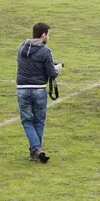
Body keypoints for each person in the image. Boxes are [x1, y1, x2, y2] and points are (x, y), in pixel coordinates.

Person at [16, 22, 61, 163]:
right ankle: (37, 148)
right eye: (48, 34)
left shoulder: (22, 47)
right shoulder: (45, 51)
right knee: (39, 120)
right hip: (38, 89)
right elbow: (52, 74)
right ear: (43, 35)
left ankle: (34, 152)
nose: (49, 37)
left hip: (22, 89)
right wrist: (58, 66)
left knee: (27, 121)